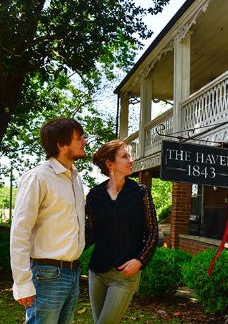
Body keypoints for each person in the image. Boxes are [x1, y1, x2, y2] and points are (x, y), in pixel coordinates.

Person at [10, 118, 87, 324]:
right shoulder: (38, 178)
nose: (84, 141)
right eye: (78, 138)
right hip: (46, 275)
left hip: (73, 272)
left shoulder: (76, 179)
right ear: (61, 145)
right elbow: (20, 231)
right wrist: (22, 283)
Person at [85, 139, 159, 324]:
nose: (130, 160)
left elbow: (152, 232)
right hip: (97, 272)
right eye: (125, 156)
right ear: (110, 163)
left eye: (129, 156)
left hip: (124, 276)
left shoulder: (141, 192)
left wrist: (140, 260)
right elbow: (90, 233)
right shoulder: (95, 195)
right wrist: (66, 253)